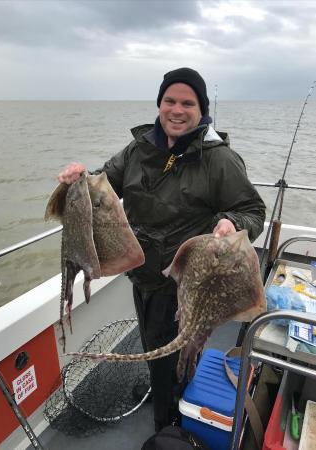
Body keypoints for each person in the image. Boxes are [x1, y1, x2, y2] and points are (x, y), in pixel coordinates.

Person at [58, 67, 266, 431]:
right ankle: (165, 387)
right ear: (159, 104)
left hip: (186, 280)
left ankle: (168, 423)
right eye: (169, 100)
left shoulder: (218, 160)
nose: (177, 109)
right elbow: (102, 185)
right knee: (157, 342)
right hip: (143, 273)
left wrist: (233, 223)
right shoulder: (139, 150)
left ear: (201, 110)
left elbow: (253, 211)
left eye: (188, 103)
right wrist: (79, 177)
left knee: (180, 345)